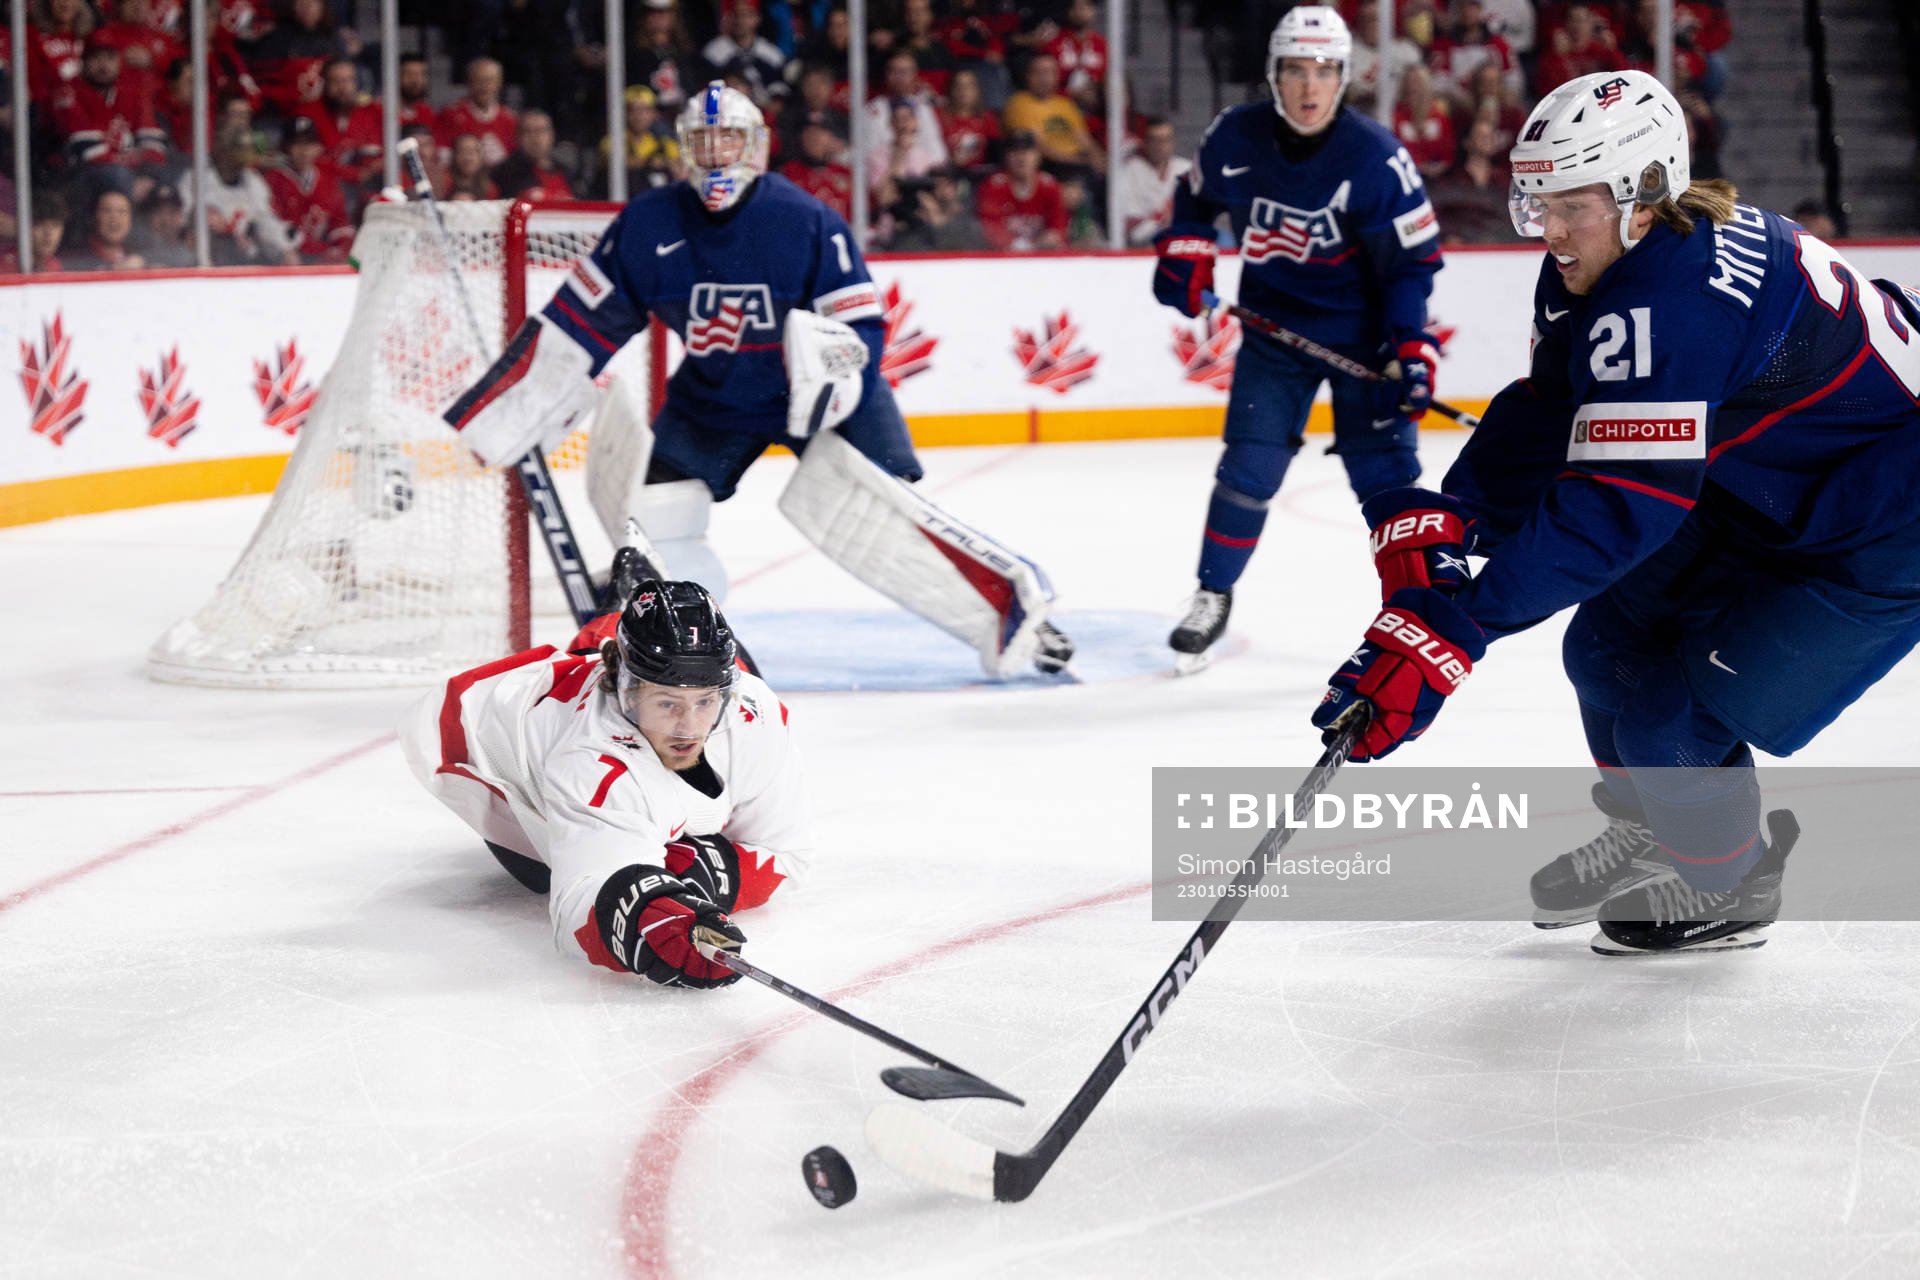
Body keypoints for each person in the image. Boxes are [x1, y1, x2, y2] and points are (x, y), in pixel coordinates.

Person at [1310, 69, 1920, 955]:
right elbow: (1558, 401)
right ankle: (1660, 828)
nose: (1551, 230)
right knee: (1603, 650)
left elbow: (1619, 505)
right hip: (1773, 488)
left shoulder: (1679, 298)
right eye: (1540, 200)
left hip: (1884, 526)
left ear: (1643, 193)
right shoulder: (1616, 263)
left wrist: (1455, 627)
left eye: (1573, 203)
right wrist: (1460, 514)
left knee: (1672, 714)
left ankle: (1731, 879)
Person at [442, 82, 1074, 680]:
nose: (717, 155)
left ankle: (1015, 620)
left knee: (888, 515)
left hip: (822, 401)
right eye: (704, 141)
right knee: (656, 516)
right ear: (686, 148)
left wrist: (832, 389)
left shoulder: (806, 220)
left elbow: (860, 331)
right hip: (715, 397)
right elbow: (580, 323)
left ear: (757, 145)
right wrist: (510, 404)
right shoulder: (649, 223)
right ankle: (682, 644)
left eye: (730, 140)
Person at [1150, 6, 1442, 668]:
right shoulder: (1235, 136)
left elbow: (1410, 266)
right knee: (1248, 468)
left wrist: (1409, 346)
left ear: (1343, 79)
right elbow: (1194, 200)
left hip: (1361, 342)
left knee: (1387, 480)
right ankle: (1212, 594)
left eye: (1324, 71)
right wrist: (1188, 251)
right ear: (1272, 75)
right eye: (1295, 71)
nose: (1309, 88)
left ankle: (1418, 614)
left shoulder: (1377, 160)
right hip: (1274, 332)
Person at [401, 570, 804, 985]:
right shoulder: (590, 763)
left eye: (705, 700)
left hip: (597, 681)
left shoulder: (755, 710)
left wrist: (706, 873)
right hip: (482, 743)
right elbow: (579, 905)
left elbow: (789, 857)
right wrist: (649, 918)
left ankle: (617, 617)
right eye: (668, 703)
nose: (689, 726)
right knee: (539, 874)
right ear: (625, 689)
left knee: (672, 851)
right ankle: (612, 619)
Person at [264, 115, 352, 263]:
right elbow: (279, 230)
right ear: (285, 147)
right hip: (286, 257)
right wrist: (323, 251)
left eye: (309, 144)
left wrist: (341, 248)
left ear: (318, 147)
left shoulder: (327, 180)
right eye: (296, 144)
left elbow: (340, 222)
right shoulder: (273, 180)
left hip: (321, 256)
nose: (303, 151)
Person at [976, 129, 1066, 252]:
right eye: (1015, 152)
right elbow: (990, 228)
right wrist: (1023, 246)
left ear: (1038, 156)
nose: (1021, 158)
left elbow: (1058, 224)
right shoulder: (994, 186)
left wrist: (1052, 236)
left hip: (1042, 257)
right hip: (1003, 259)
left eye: (1027, 151)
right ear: (1006, 157)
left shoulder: (1050, 186)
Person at [1116, 115, 1188, 247]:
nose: (1160, 146)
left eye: (1166, 140)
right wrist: (1161, 220)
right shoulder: (1130, 170)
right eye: (1155, 140)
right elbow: (1131, 228)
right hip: (1146, 242)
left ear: (1173, 142)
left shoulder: (1186, 168)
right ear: (1145, 142)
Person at [491, 108, 575, 204]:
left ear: (552, 135)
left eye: (541, 131)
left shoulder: (566, 172)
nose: (535, 138)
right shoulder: (505, 173)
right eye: (528, 132)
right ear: (518, 137)